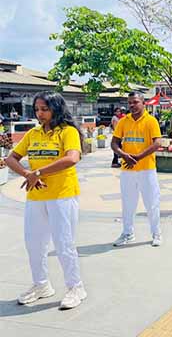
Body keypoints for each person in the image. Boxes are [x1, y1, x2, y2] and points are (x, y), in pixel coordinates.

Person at [5, 91, 87, 310]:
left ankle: (75, 287)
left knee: (64, 244)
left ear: (56, 109)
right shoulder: (33, 133)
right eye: (37, 109)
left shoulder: (67, 132)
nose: (40, 114)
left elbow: (72, 158)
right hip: (35, 197)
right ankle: (41, 285)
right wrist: (27, 175)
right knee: (34, 244)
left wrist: (38, 172)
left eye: (44, 109)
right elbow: (10, 158)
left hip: (62, 196)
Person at [111, 91, 163, 247]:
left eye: (135, 102)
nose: (132, 105)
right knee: (127, 203)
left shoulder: (151, 121)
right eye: (130, 103)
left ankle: (156, 233)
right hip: (127, 170)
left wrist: (138, 157)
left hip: (146, 169)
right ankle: (127, 233)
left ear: (143, 103)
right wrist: (123, 155)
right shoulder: (123, 121)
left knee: (151, 202)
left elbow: (157, 143)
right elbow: (114, 143)